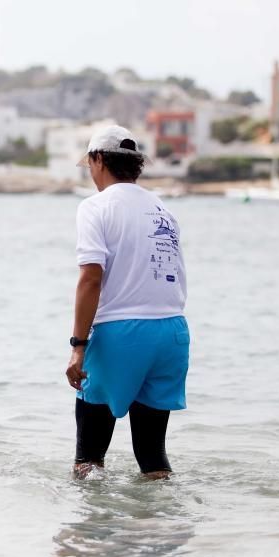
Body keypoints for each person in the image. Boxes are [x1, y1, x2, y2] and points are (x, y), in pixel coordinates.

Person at [65, 125, 190, 479]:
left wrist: (78, 346)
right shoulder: (163, 209)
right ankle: (160, 525)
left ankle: (90, 528)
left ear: (98, 159)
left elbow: (91, 277)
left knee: (88, 458)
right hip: (172, 333)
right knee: (152, 454)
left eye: (89, 164)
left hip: (122, 333)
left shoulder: (95, 207)